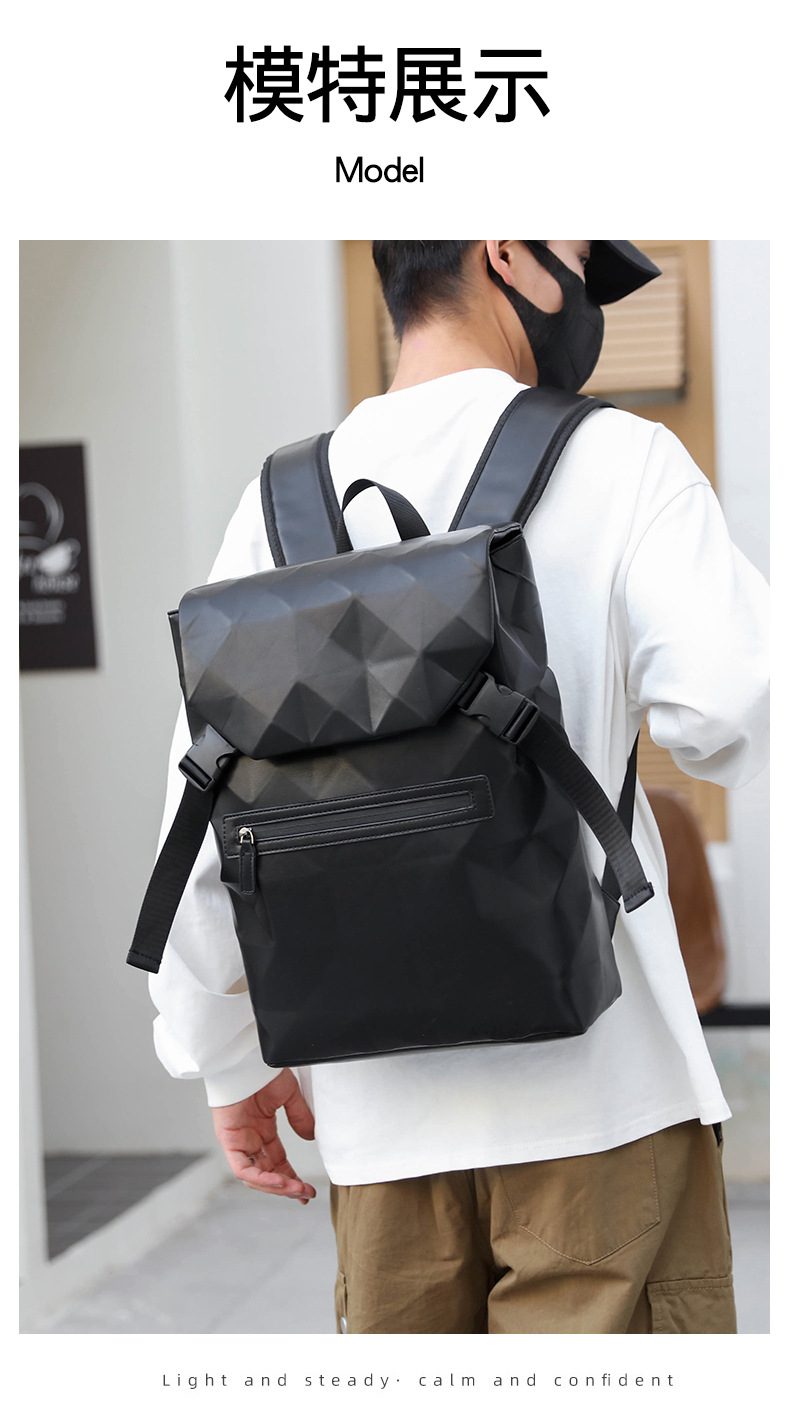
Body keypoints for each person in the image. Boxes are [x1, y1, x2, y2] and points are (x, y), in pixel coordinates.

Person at [148, 241, 769, 1334]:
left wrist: (223, 1061)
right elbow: (722, 712)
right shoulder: (623, 460)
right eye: (584, 258)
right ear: (506, 251)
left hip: (381, 1141)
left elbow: (201, 820)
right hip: (607, 1106)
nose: (593, 297)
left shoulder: (278, 502)